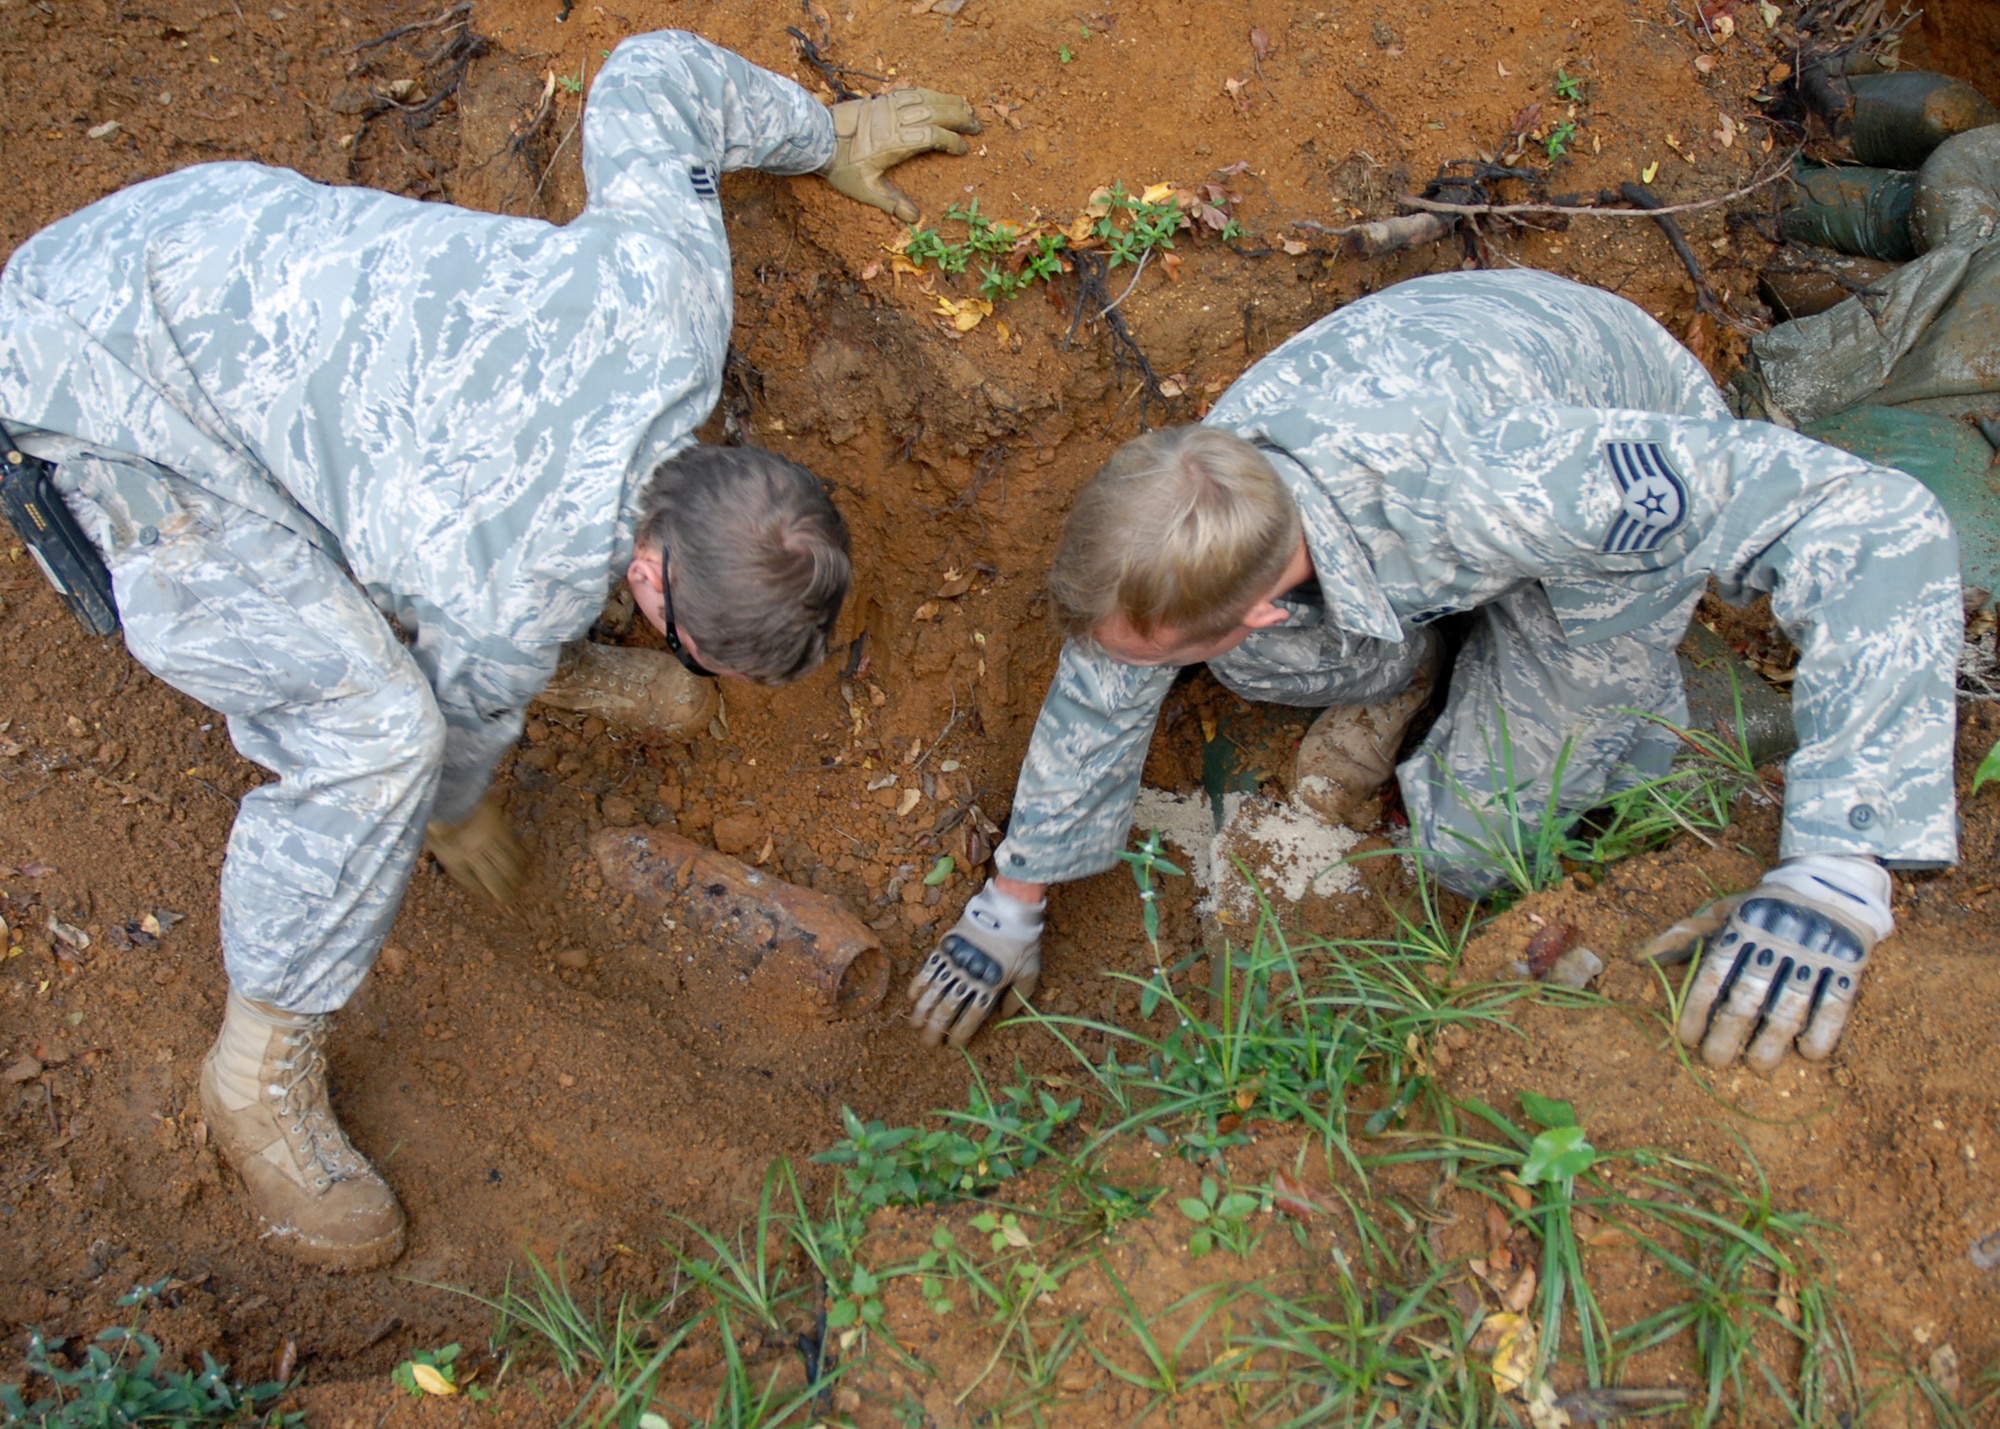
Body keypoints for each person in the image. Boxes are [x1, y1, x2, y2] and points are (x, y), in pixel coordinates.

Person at [0, 31, 977, 1271]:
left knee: (439, 607)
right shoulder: (516, 578)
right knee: (379, 737)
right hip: (102, 413)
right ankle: (253, 1076)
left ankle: (503, 658)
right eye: (692, 643)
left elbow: (652, 74)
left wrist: (822, 133)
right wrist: (456, 805)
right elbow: (457, 734)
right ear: (646, 576)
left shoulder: (673, 303)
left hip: (184, 245)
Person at [908, 269, 1961, 1083]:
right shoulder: (1204, 496)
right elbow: (1104, 678)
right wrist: (1010, 903)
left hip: (1595, 476)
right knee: (1257, 669)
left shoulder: (1517, 488)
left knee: (1477, 840)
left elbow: (1875, 521)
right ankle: (1431, 656)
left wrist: (1838, 862)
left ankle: (1684, 724)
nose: (1124, 670)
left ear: (1263, 588)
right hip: (1438, 436)